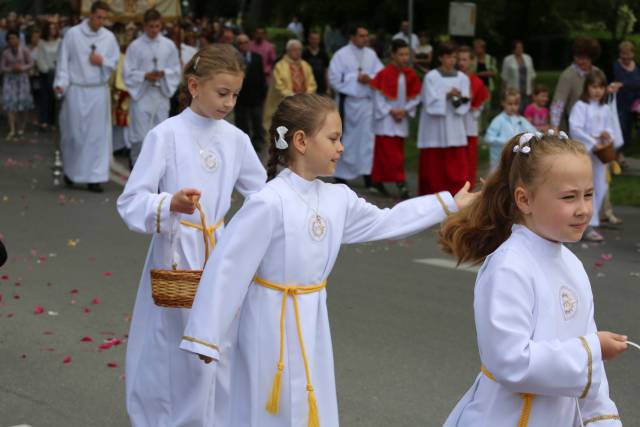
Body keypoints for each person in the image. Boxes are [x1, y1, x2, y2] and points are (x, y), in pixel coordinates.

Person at [180, 93, 476, 427]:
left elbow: (387, 220)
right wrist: (206, 334)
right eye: (333, 139)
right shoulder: (269, 202)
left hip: (312, 317)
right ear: (301, 141)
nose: (341, 148)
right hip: (268, 320)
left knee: (311, 396)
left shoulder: (338, 198)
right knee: (266, 404)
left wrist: (447, 204)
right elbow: (228, 267)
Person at [117, 44, 267, 427]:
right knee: (174, 348)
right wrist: (170, 204)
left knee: (219, 345)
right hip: (176, 253)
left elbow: (262, 194)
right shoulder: (166, 135)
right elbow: (132, 200)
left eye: (235, 94)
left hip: (218, 253)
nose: (229, 102)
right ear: (194, 85)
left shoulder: (236, 139)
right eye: (222, 93)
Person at [440, 131, 626, 427]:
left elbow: (593, 377)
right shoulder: (508, 266)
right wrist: (591, 349)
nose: (583, 209)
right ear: (524, 199)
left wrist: (603, 421)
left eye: (588, 195)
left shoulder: (573, 265)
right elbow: (509, 361)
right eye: (569, 197)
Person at [54, 1, 120, 193]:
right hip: (76, 89)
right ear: (90, 15)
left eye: (103, 18)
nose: (100, 21)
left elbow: (115, 63)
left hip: (98, 91)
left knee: (96, 137)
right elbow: (63, 62)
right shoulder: (73, 34)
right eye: (97, 17)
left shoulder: (109, 38)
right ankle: (71, 171)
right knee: (74, 133)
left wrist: (102, 61)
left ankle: (95, 177)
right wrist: (61, 83)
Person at [123, 9, 181, 167]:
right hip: (142, 96)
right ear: (144, 26)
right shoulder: (135, 46)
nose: (154, 30)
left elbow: (176, 70)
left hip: (161, 95)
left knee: (161, 138)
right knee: (141, 137)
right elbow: (127, 73)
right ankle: (136, 167)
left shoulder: (168, 46)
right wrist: (144, 76)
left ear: (161, 25)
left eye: (157, 26)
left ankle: (157, 172)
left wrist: (164, 73)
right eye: (150, 26)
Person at [328, 23, 383, 187]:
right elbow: (334, 78)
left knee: (366, 141)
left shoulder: (371, 54)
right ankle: (341, 174)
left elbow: (381, 74)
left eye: (366, 35)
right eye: (361, 35)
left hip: (366, 104)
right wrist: (355, 79)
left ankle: (367, 174)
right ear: (352, 37)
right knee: (346, 139)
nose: (365, 39)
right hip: (349, 104)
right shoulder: (341, 55)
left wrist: (370, 78)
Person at [569, 70, 621, 242]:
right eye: (594, 86)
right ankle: (578, 222)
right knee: (582, 187)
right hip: (585, 152)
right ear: (587, 88)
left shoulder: (605, 108)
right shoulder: (580, 106)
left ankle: (590, 225)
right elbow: (575, 128)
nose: (597, 91)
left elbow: (611, 128)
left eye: (601, 87)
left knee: (600, 186)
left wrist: (607, 135)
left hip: (601, 155)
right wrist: (592, 142)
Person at [369, 39, 421, 198]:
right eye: (401, 54)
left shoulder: (411, 75)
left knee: (396, 153)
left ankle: (377, 181)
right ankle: (400, 182)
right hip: (386, 120)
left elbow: (417, 96)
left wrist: (404, 110)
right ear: (393, 55)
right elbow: (377, 96)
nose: (405, 58)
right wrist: (390, 110)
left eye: (407, 54)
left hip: (401, 119)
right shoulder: (383, 74)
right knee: (387, 154)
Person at [417, 41, 470, 196]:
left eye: (454, 57)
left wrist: (458, 99)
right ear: (440, 58)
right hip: (435, 128)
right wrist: (446, 95)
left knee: (455, 165)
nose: (452, 61)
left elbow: (465, 103)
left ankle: (456, 193)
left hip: (454, 125)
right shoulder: (431, 77)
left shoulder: (462, 78)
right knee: (434, 166)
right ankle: (433, 193)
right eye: (448, 57)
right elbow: (428, 101)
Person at [262, 39, 316, 137]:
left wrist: (305, 95)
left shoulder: (306, 65)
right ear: (288, 51)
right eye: (294, 50)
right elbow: (278, 86)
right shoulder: (279, 66)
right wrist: (293, 96)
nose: (297, 52)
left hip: (303, 105)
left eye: (299, 49)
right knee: (283, 134)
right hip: (284, 105)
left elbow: (312, 84)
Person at [551, 36, 603, 132]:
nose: (580, 61)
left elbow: (603, 98)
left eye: (585, 58)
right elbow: (558, 103)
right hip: (575, 127)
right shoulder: (567, 75)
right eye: (577, 57)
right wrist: (555, 126)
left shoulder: (597, 73)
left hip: (596, 125)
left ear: (592, 57)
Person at [457, 45, 489, 189]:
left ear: (471, 61)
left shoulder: (476, 81)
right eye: (459, 59)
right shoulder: (454, 79)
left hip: (469, 124)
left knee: (469, 157)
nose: (461, 62)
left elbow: (479, 104)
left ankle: (467, 186)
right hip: (454, 124)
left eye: (464, 59)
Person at [484, 88, 537, 171]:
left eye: (516, 104)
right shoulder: (498, 120)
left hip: (516, 159)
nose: (513, 107)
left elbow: (533, 132)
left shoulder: (521, 120)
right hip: (499, 160)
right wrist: (506, 141)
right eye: (510, 104)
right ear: (503, 103)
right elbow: (488, 138)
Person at [235, 33, 267, 152]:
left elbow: (261, 77)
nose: (243, 45)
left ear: (249, 44)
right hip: (240, 97)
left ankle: (258, 142)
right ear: (237, 45)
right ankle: (244, 144)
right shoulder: (235, 59)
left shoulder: (257, 57)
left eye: (245, 42)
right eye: (240, 43)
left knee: (257, 121)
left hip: (255, 97)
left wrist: (263, 94)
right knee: (242, 122)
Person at [1, 29, 34, 140]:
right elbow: (2, 67)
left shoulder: (24, 50)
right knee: (11, 105)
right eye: (10, 38)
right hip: (10, 80)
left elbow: (31, 63)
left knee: (23, 105)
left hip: (22, 79)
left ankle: (21, 127)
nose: (12, 40)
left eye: (14, 38)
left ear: (18, 39)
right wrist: (10, 69)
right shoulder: (5, 52)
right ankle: (12, 129)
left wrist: (22, 68)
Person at [612, 40, 640, 154]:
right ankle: (619, 156)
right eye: (624, 53)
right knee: (621, 130)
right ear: (620, 54)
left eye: (629, 53)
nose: (626, 56)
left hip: (636, 105)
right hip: (620, 105)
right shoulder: (615, 67)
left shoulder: (637, 66)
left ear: (633, 54)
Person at [36, 21, 61, 131]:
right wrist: (46, 69)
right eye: (50, 28)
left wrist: (58, 70)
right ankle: (44, 121)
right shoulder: (41, 43)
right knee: (45, 98)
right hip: (45, 74)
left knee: (55, 99)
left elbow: (61, 57)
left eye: (54, 28)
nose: (52, 30)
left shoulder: (60, 42)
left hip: (57, 73)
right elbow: (40, 58)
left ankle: (54, 121)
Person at [501, 40, 536, 112]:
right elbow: (504, 77)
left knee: (527, 111)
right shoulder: (508, 60)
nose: (520, 49)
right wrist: (503, 91)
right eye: (518, 48)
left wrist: (533, 90)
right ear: (513, 50)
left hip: (527, 91)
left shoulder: (528, 58)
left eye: (521, 47)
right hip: (514, 91)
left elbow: (532, 75)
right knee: (515, 111)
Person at [302, 31, 330, 96]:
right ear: (309, 39)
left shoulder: (324, 54)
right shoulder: (304, 53)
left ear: (319, 40)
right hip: (308, 88)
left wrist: (328, 88)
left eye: (316, 39)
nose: (314, 41)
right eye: (312, 39)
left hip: (321, 87)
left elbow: (326, 71)